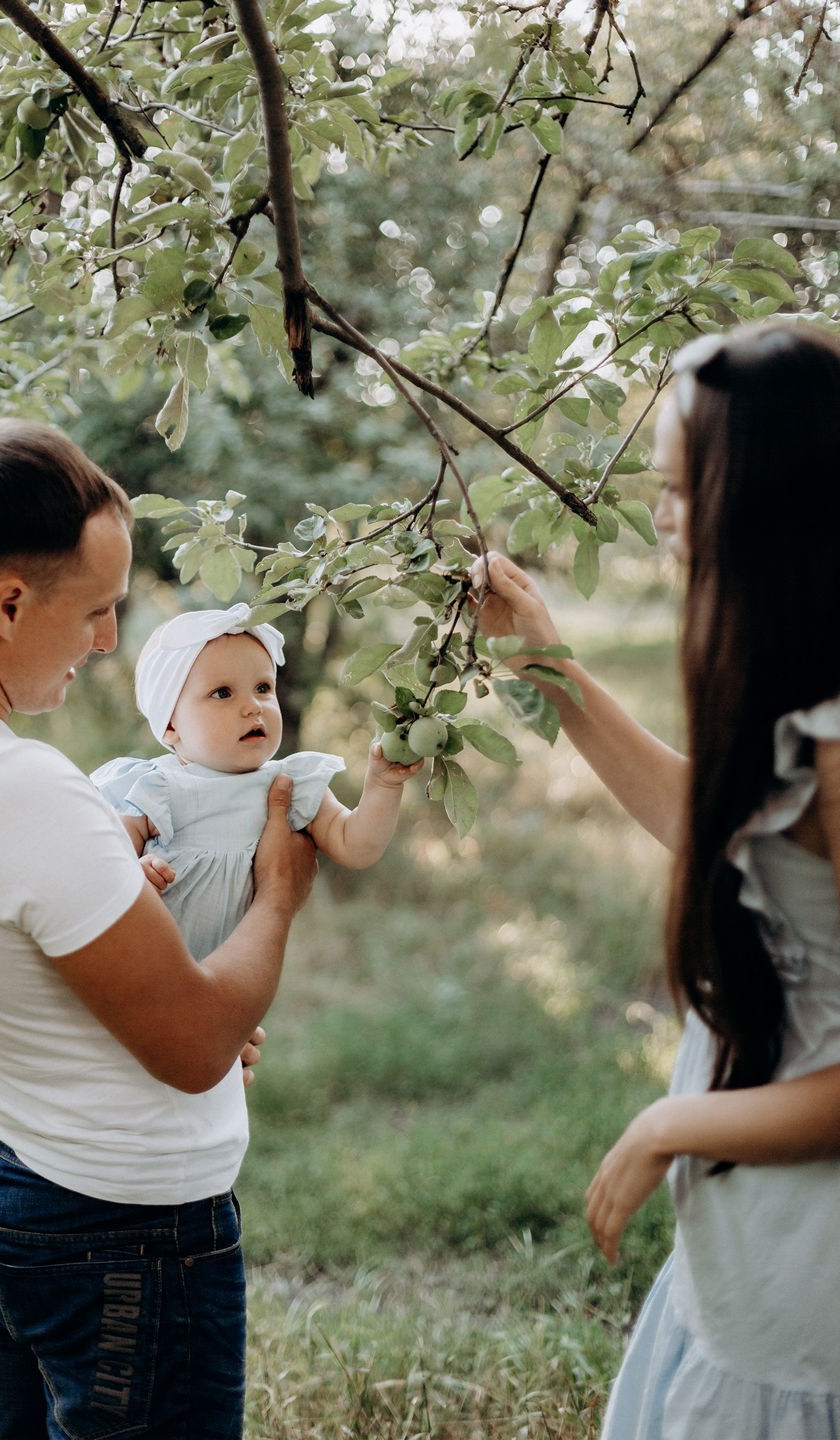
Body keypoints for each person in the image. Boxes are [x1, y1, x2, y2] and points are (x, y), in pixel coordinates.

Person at [0, 418, 319, 1440]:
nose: (109, 644)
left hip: (0, 1175)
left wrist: (155, 976)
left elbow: (3, 963)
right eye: (97, 611)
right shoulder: (18, 787)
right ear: (9, 604)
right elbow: (199, 1044)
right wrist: (278, 893)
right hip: (122, 1229)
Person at [472, 321, 840, 1437]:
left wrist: (672, 1125)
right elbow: (722, 831)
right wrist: (548, 663)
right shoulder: (787, 673)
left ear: (769, 494)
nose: (665, 518)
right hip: (754, 1244)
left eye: (687, 489)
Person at [90, 605, 421, 959]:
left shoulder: (291, 784)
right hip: (154, 968)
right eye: (222, 693)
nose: (253, 706)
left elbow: (356, 846)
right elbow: (102, 867)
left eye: (263, 687)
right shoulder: (156, 788)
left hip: (238, 977)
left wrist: (383, 786)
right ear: (170, 725)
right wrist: (132, 875)